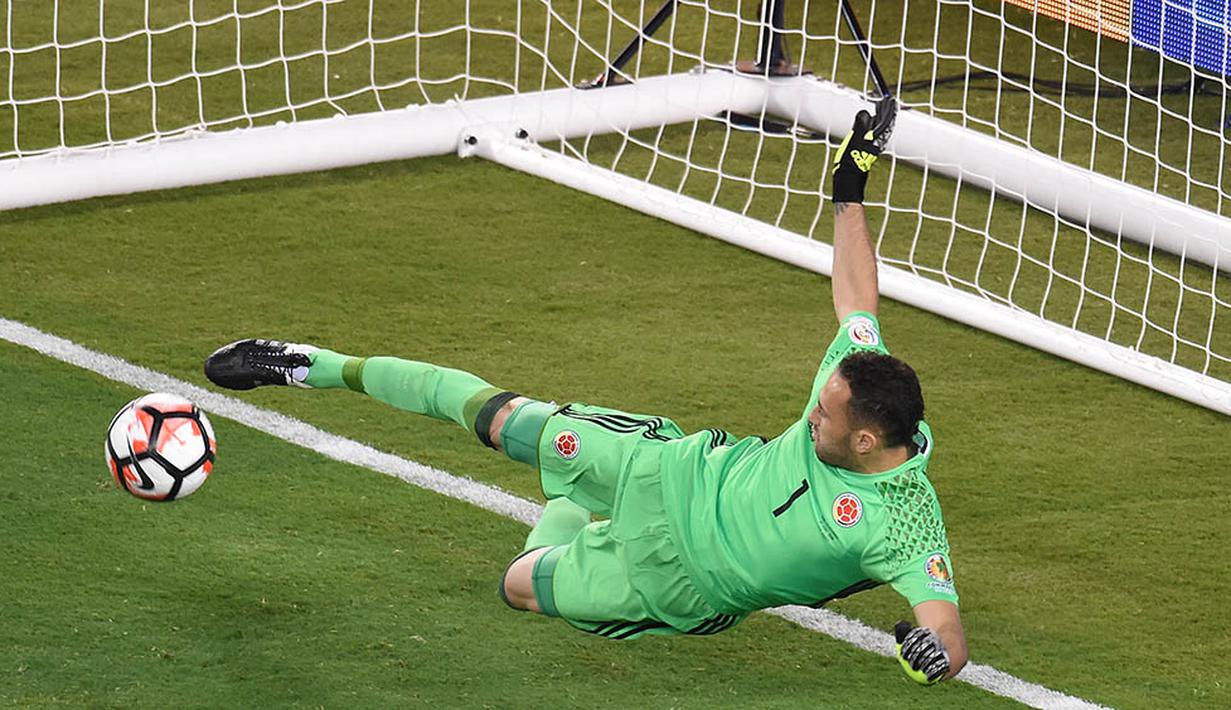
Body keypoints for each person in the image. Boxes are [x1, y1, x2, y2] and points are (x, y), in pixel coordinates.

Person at [204, 97, 968, 684]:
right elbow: (858, 304)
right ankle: (311, 363)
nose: (809, 415)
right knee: (498, 418)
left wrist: (931, 654)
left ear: (867, 440)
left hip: (678, 586)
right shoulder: (863, 381)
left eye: (823, 416)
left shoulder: (903, 524)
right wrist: (846, 190)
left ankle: (567, 506)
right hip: (668, 469)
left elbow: (947, 632)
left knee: (516, 588)